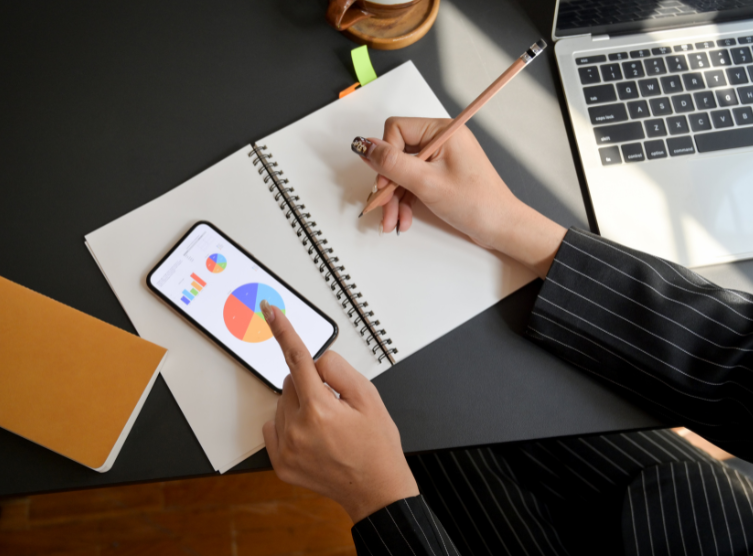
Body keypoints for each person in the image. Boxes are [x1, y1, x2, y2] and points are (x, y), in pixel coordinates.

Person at [257, 118, 753, 556]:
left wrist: (374, 497)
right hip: (698, 511)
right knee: (457, 410)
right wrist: (510, 224)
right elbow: (737, 362)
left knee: (412, 422)